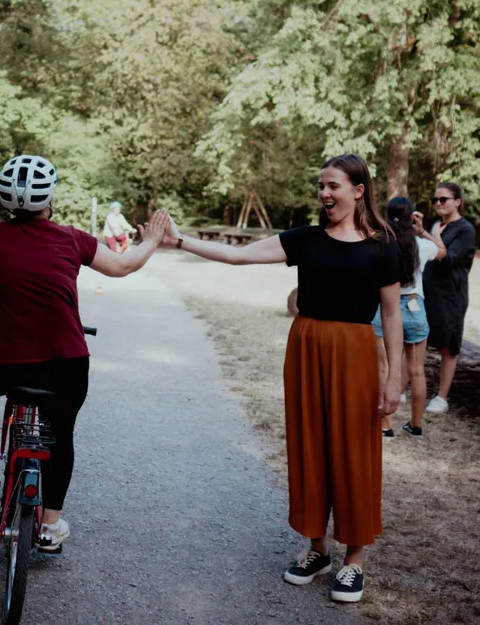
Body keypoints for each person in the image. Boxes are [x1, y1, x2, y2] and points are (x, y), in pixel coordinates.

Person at [162, 154, 402, 604]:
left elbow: (391, 314)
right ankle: (317, 550)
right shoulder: (306, 240)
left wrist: (395, 378)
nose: (325, 194)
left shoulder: (383, 244)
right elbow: (237, 255)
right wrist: (179, 241)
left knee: (354, 451)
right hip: (307, 346)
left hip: (354, 353)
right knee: (310, 446)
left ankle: (354, 561)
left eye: (333, 186)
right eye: (320, 186)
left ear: (358, 190)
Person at [0, 155, 168, 552]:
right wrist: (151, 240)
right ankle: (49, 528)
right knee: (61, 435)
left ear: (5, 201)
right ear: (49, 199)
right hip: (66, 367)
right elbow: (121, 267)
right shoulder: (72, 238)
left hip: (3, 363)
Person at [373, 197, 445, 438]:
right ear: (411, 217)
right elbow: (442, 251)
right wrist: (423, 230)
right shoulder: (420, 245)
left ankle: (386, 425)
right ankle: (415, 425)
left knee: (384, 369)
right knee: (416, 371)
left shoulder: (381, 242)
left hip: (386, 310)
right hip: (415, 307)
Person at [423, 183, 476, 413]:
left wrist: (432, 233)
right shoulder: (437, 225)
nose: (438, 204)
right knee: (418, 339)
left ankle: (442, 398)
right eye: (436, 200)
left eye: (443, 199)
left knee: (448, 347)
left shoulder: (465, 230)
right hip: (429, 293)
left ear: (457, 201)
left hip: (451, 295)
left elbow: (449, 258)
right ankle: (404, 385)